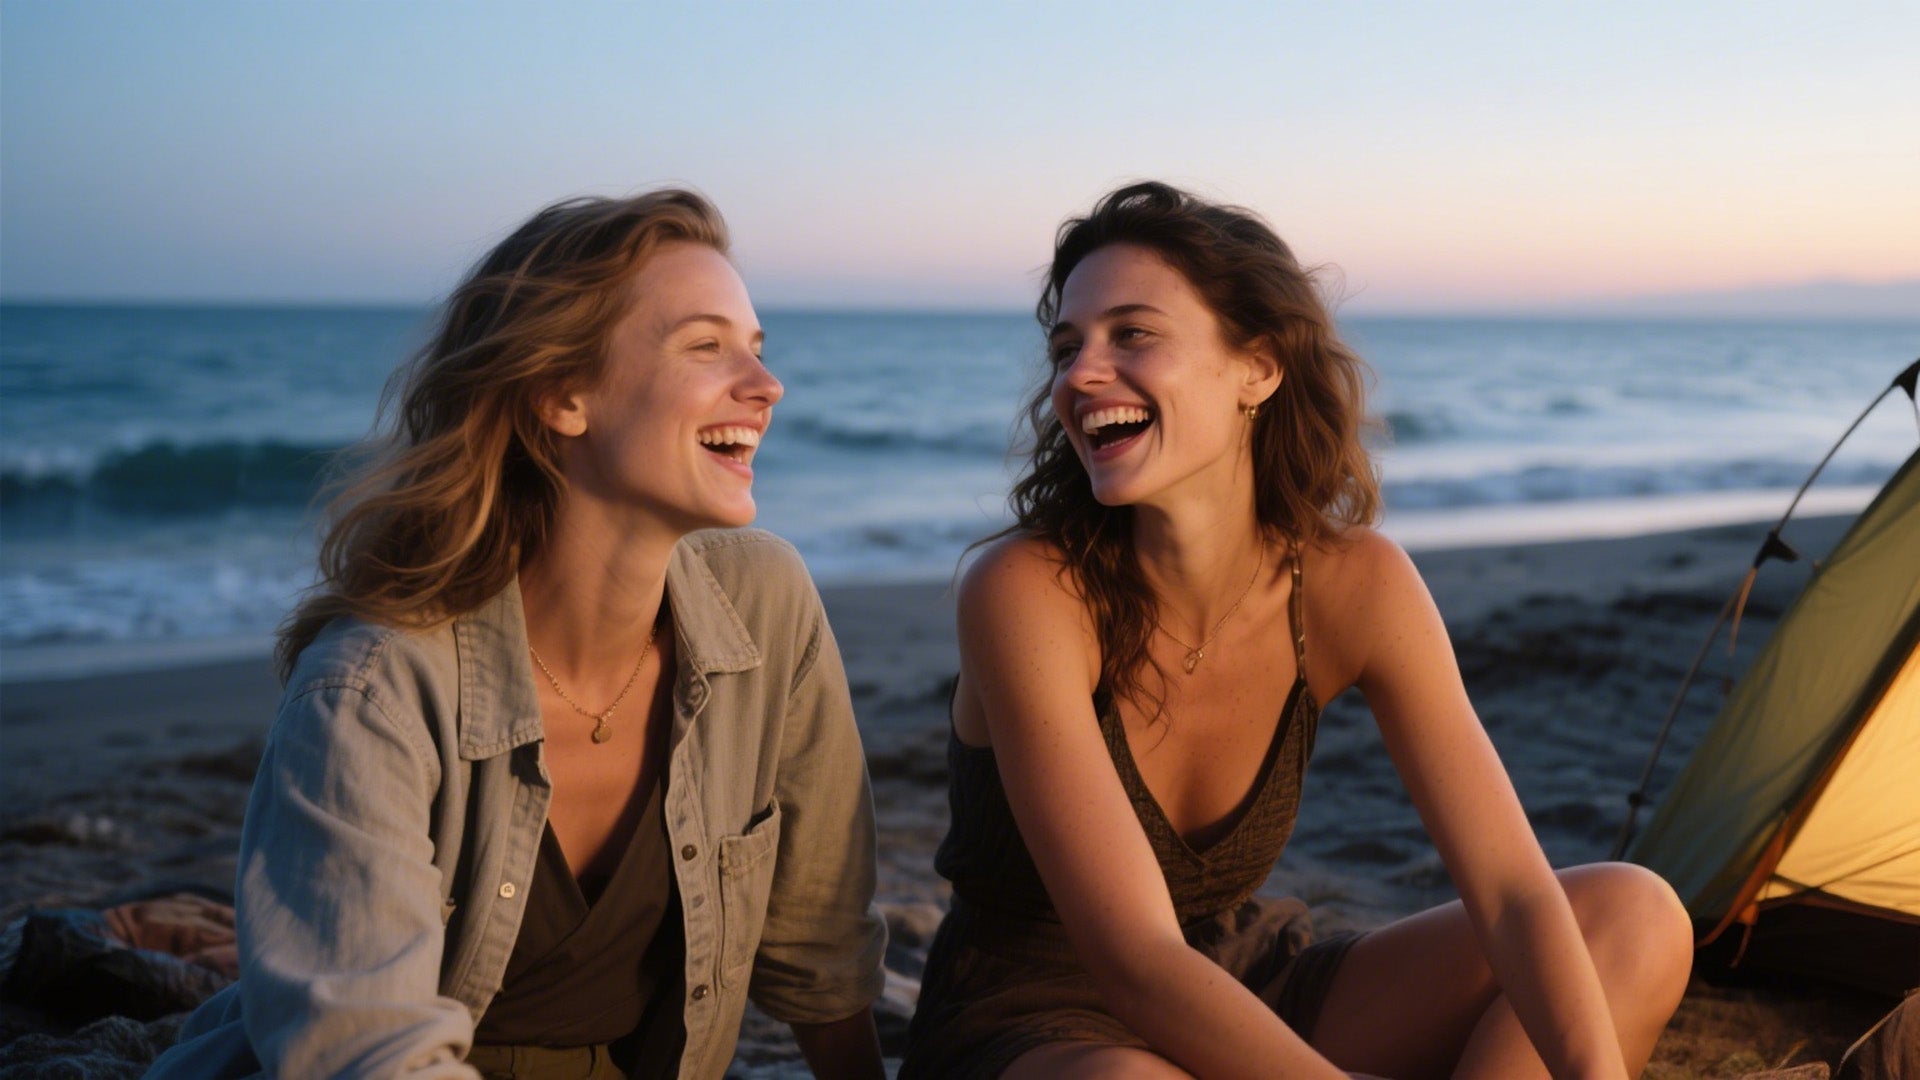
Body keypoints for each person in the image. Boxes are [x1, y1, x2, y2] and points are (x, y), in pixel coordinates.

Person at [901, 182, 1693, 1079]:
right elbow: (1133, 957)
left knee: (1634, 916)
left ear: (1259, 368)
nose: (1079, 375)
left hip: (1243, 983)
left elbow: (1513, 895)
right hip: (1036, 1024)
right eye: (1066, 346)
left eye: (1132, 335)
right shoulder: (1026, 591)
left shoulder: (1354, 584)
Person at [146, 190, 888, 1080]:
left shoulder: (765, 603)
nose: (767, 388)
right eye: (706, 346)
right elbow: (371, 1059)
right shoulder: (373, 691)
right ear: (561, 395)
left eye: (758, 352)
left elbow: (821, 946)